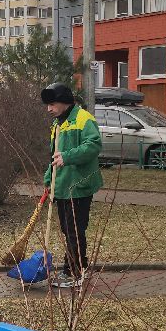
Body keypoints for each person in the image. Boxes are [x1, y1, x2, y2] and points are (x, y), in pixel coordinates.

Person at [41, 82, 103, 288]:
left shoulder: (83, 119)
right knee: (69, 230)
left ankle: (75, 272)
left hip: (79, 186)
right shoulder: (58, 124)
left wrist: (68, 157)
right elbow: (54, 156)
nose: (48, 109)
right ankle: (73, 267)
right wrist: (49, 180)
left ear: (65, 102)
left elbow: (93, 146)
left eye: (52, 104)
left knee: (75, 230)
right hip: (62, 186)